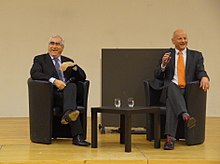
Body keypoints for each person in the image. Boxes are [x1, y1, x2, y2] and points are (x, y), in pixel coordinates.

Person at [150, 29, 210, 150]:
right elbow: (157, 75)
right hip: (171, 89)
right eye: (180, 38)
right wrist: (163, 65)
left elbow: (200, 71)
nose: (183, 41)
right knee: (171, 85)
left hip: (187, 91)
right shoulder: (167, 55)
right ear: (173, 41)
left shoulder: (196, 55)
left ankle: (170, 140)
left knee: (171, 103)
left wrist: (204, 77)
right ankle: (184, 114)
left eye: (185, 38)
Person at [30, 35, 90, 146]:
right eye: (52, 43)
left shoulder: (67, 61)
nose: (54, 46)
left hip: (68, 95)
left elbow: (82, 77)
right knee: (72, 102)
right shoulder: (40, 59)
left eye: (57, 44)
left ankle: (68, 113)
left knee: (71, 87)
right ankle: (77, 137)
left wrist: (74, 66)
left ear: (62, 47)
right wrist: (54, 81)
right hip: (51, 94)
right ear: (48, 46)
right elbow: (35, 74)